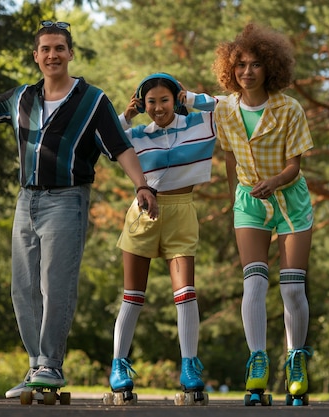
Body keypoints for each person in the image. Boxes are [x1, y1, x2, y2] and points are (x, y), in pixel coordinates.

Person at [0, 20, 158, 399]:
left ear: (70, 54)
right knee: (22, 288)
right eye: (46, 49)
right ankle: (37, 363)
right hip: (27, 200)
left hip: (67, 199)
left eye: (59, 48)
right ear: (36, 56)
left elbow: (120, 147)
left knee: (55, 285)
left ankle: (51, 365)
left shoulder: (92, 101)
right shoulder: (21, 98)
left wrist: (141, 185)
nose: (52, 54)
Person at [212, 23, 314, 402]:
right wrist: (234, 200)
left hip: (291, 202)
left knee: (291, 288)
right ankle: (257, 362)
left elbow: (294, 166)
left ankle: (296, 361)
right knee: (253, 282)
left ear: (270, 67)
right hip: (249, 202)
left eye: (255, 64)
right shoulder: (226, 109)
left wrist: (273, 181)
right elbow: (227, 157)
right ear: (231, 69)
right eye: (240, 65)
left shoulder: (289, 108)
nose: (248, 71)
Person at [107, 73, 217, 399]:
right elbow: (105, 139)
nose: (158, 107)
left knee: (186, 292)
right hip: (143, 212)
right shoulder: (138, 135)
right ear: (143, 104)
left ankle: (189, 364)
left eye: (164, 100)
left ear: (175, 100)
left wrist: (191, 98)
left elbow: (225, 107)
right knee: (133, 295)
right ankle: (118, 364)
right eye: (151, 101)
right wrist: (127, 115)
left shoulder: (198, 124)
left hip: (181, 212)